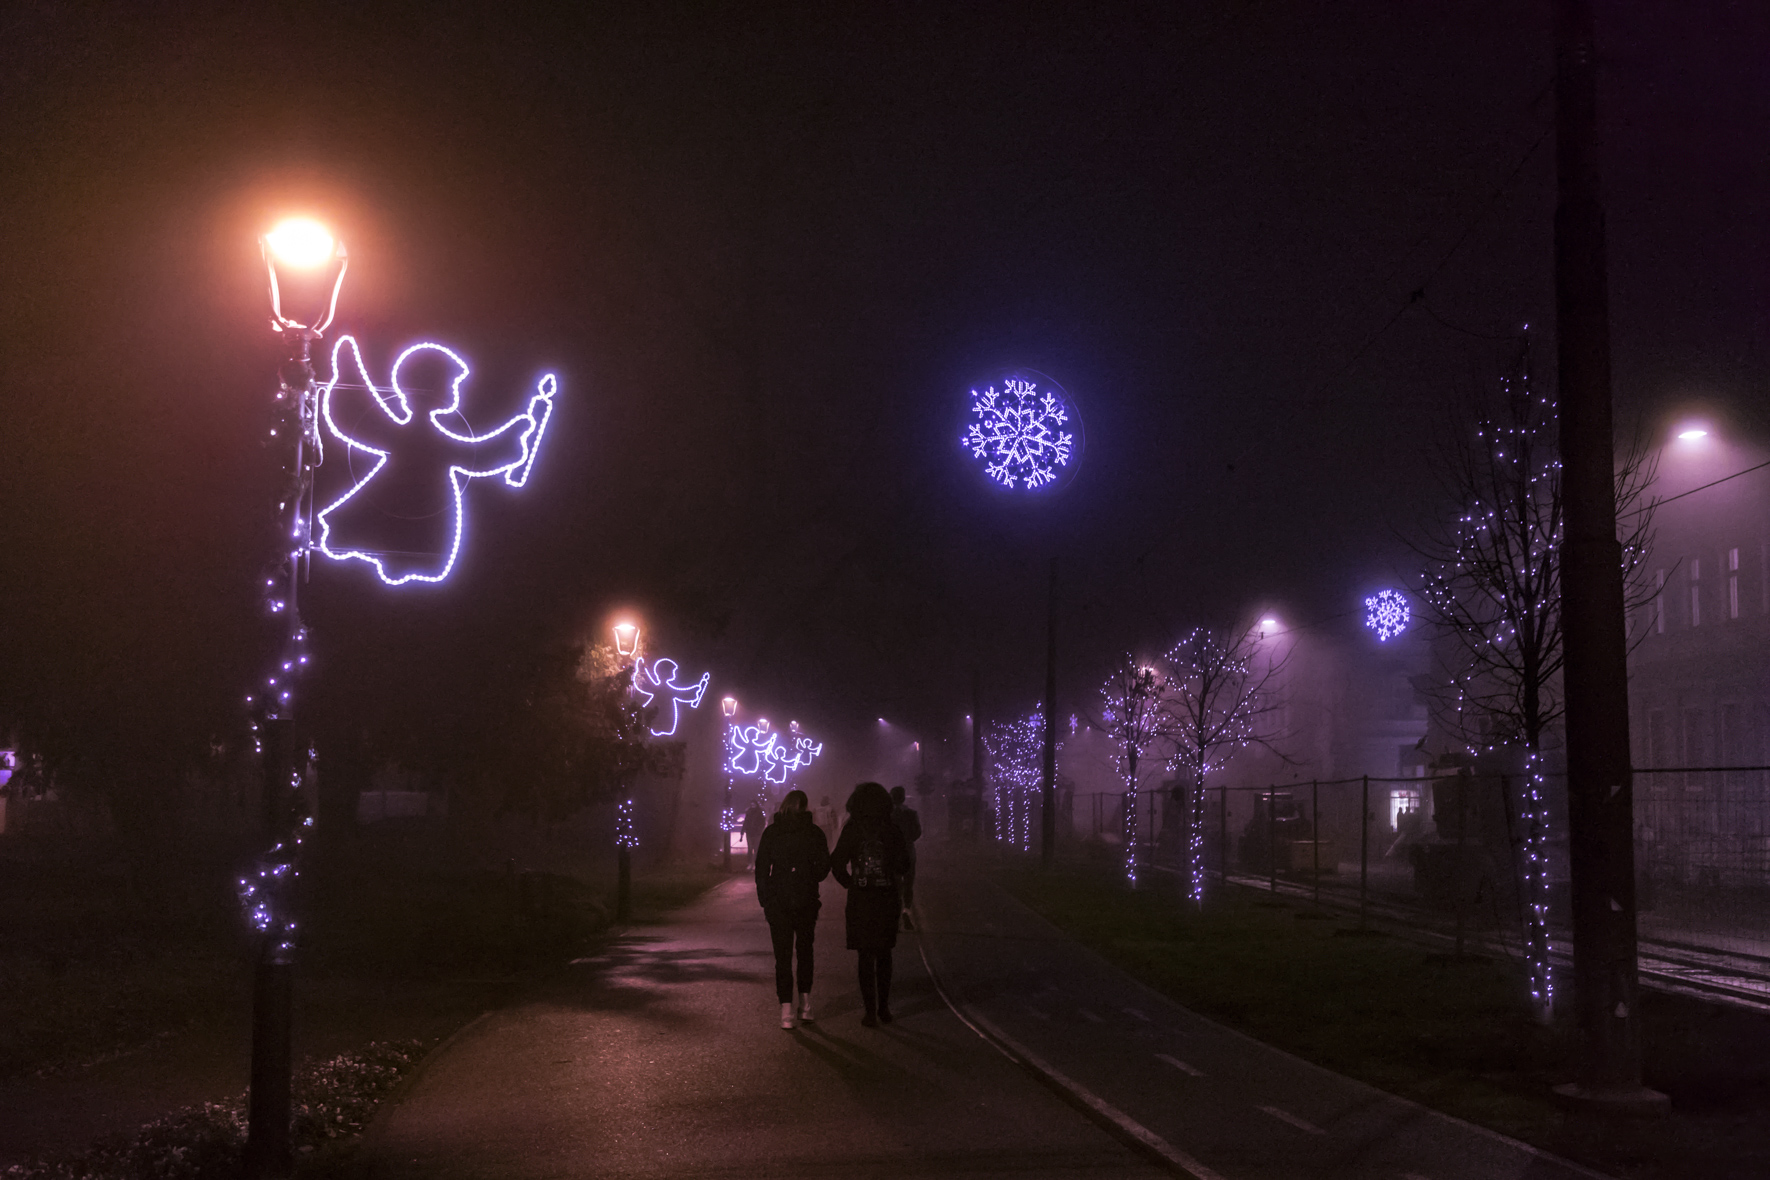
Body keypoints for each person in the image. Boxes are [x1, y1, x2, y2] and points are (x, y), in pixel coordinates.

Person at [830, 782, 911, 1027]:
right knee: (885, 953)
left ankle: (869, 1011)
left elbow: (836, 862)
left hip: (860, 899)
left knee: (865, 956)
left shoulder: (852, 828)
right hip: (886, 897)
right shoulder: (892, 829)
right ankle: (885, 1008)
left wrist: (850, 883)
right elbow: (903, 865)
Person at [753, 789, 830, 1030]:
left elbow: (762, 867)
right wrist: (810, 877)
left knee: (782, 957)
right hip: (806, 899)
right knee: (805, 951)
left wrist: (765, 899)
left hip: (779, 901)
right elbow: (823, 866)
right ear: (806, 807)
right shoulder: (814, 833)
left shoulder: (773, 832)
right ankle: (805, 1004)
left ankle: (785, 1009)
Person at [890, 785, 922, 929]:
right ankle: (907, 911)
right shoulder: (911, 813)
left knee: (895, 886)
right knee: (908, 884)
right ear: (903, 797)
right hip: (908, 852)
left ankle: (895, 918)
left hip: (893, 853)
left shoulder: (887, 815)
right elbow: (917, 832)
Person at [742, 800, 767, 867]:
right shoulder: (750, 812)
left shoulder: (758, 813)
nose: (753, 806)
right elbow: (746, 822)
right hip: (750, 833)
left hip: (755, 833)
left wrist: (759, 830)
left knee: (755, 849)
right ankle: (750, 863)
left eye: (753, 805)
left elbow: (762, 823)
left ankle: (754, 863)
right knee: (750, 849)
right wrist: (743, 831)